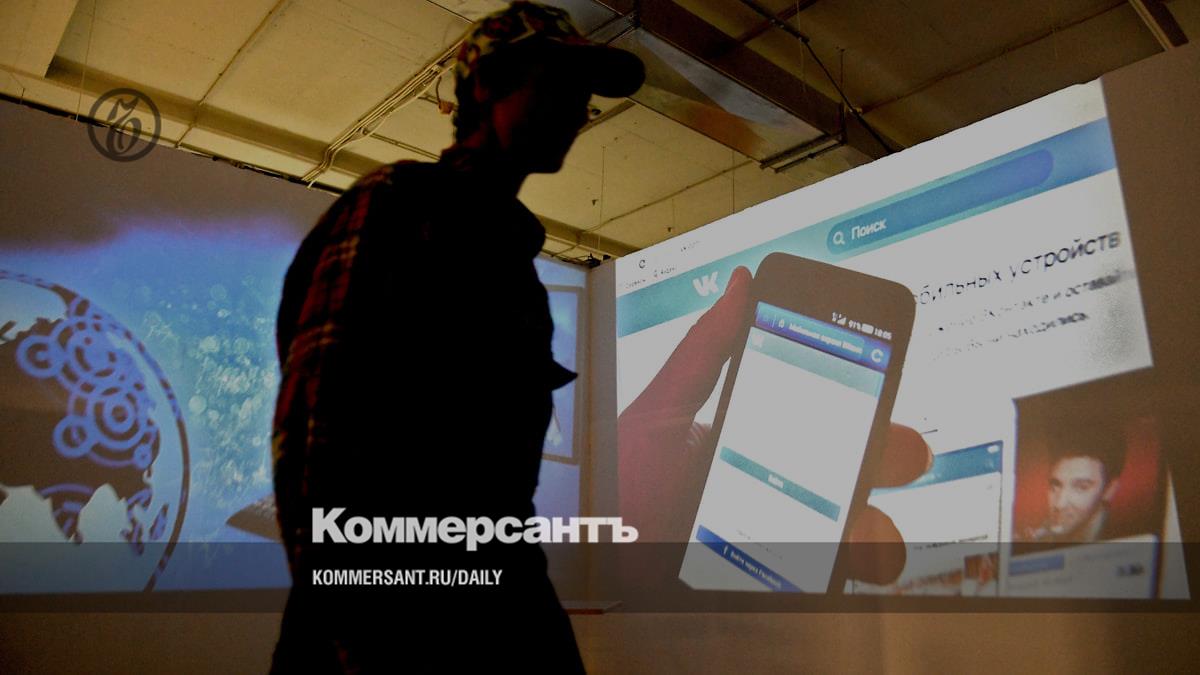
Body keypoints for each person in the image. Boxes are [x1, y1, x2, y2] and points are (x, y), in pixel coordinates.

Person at [268, 2, 645, 673]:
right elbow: (314, 442)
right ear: (487, 85)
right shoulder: (398, 205)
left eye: (583, 98)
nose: (578, 111)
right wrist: (361, 643)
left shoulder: (509, 257)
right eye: (561, 86)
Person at [1020, 426, 1126, 544]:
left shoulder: (1124, 536)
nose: (1059, 504)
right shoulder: (1040, 534)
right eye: (1055, 486)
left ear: (1109, 490)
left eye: (1081, 487)